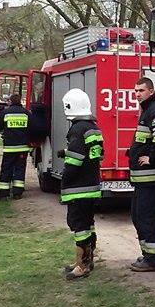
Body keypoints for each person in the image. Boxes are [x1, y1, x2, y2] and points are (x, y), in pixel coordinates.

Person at [58, 88, 103, 280]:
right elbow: (93, 154)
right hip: (91, 184)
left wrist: (64, 181)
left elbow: (76, 161)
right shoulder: (93, 127)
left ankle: (82, 266)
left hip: (78, 188)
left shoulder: (76, 129)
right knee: (88, 224)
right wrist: (66, 153)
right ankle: (86, 261)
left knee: (79, 226)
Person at [127, 77, 155, 272]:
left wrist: (150, 158)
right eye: (136, 91)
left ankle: (154, 260)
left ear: (151, 91)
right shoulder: (148, 109)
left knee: (149, 217)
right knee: (138, 215)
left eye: (141, 90)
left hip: (151, 176)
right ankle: (148, 255)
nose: (138, 94)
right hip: (143, 178)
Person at [0, 93, 31, 200]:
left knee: (6, 169)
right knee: (20, 169)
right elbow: (32, 127)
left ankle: (3, 194)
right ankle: (17, 193)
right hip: (23, 147)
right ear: (20, 101)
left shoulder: (5, 113)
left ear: (10, 101)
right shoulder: (26, 113)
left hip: (9, 147)